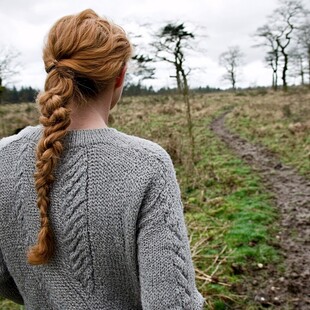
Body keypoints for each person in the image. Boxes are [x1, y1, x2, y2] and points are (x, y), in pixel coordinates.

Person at [0, 9, 204, 309]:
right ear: (119, 74)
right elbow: (172, 303)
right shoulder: (147, 165)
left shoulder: (3, 157)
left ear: (51, 68)